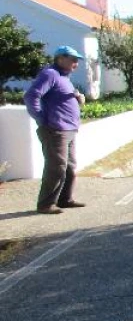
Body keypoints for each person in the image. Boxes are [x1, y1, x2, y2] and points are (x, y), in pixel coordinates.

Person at [23, 45, 88, 214]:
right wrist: (41, 119)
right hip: (55, 129)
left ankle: (65, 199)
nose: (76, 63)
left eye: (77, 61)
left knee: (70, 167)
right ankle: (45, 204)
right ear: (60, 58)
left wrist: (77, 99)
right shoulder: (50, 74)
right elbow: (31, 96)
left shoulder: (63, 77)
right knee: (56, 167)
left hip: (69, 129)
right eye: (73, 59)